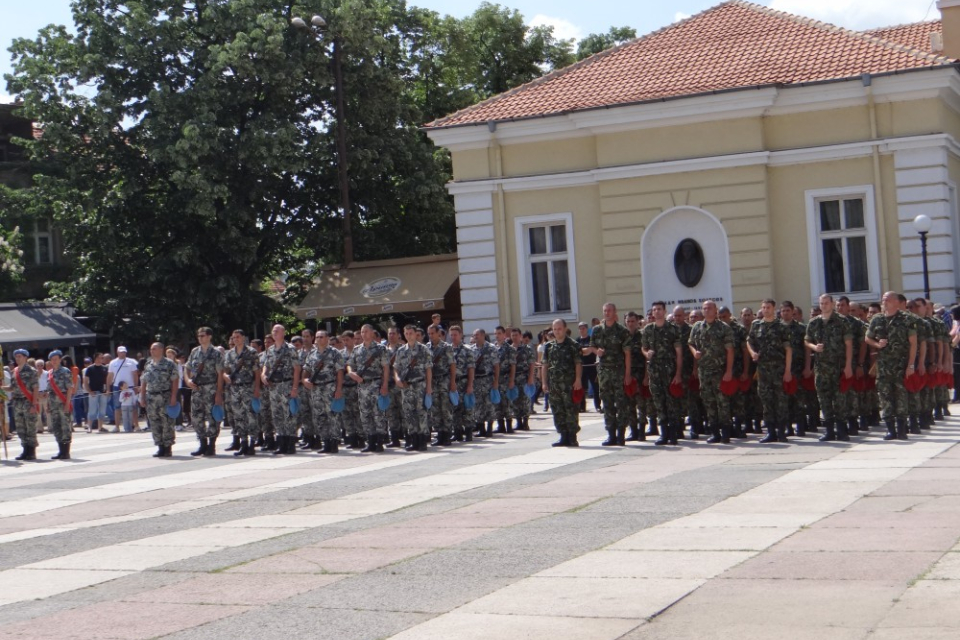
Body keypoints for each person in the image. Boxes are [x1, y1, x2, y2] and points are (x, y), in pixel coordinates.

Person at [865, 291, 917, 440]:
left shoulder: (907, 319)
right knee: (885, 397)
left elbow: (913, 343)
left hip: (901, 365)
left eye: (887, 299)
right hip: (883, 366)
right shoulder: (877, 319)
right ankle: (890, 430)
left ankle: (901, 429)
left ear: (895, 301)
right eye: (883, 300)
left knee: (900, 397)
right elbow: (867, 338)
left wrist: (911, 365)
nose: (884, 302)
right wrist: (877, 344)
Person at [805, 294, 853, 441]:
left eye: (826, 303)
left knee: (840, 400)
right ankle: (829, 431)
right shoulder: (814, 323)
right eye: (822, 303)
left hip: (838, 367)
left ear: (832, 304)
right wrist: (814, 347)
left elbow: (849, 345)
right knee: (824, 400)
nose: (824, 305)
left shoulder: (842, 321)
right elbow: (807, 341)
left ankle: (842, 430)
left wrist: (848, 366)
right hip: (821, 368)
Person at [689, 300, 735, 443]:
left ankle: (726, 432)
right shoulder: (697, 327)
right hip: (704, 371)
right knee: (708, 402)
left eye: (710, 308)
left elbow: (730, 350)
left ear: (716, 311)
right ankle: (714, 432)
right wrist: (694, 352)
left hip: (719, 371)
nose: (707, 310)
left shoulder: (724, 328)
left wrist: (728, 371)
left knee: (723, 403)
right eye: (704, 308)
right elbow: (690, 343)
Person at [748, 299, 793, 443]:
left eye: (768, 307)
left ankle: (781, 431)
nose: (765, 309)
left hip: (779, 369)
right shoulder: (756, 325)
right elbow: (749, 341)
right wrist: (752, 353)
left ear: (774, 309)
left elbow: (788, 350)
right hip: (763, 370)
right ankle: (771, 432)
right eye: (763, 307)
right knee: (766, 401)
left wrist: (787, 371)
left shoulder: (781, 326)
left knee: (780, 401)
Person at [590, 302, 632, 446]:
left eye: (609, 311)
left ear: (615, 313)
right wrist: (597, 352)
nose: (607, 313)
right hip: (604, 372)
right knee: (607, 404)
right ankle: (611, 434)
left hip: (618, 371)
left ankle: (621, 434)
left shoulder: (622, 331)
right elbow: (592, 346)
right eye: (605, 311)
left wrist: (627, 374)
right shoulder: (596, 330)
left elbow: (627, 354)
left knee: (621, 404)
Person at [642, 302, 683, 446]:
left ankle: (673, 434)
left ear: (664, 311)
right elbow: (644, 348)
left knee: (671, 403)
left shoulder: (672, 329)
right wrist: (647, 353)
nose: (657, 312)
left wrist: (678, 374)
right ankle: (663, 434)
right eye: (654, 310)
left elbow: (679, 353)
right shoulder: (648, 330)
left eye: (659, 309)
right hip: (654, 372)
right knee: (659, 403)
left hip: (669, 371)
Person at [346, 324, 390, 451]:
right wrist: (351, 373)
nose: (363, 334)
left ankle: (380, 442)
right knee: (365, 414)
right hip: (362, 385)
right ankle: (370, 442)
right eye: (362, 332)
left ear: (372, 333)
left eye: (366, 331)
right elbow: (349, 365)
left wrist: (385, 385)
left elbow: (386, 368)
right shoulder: (357, 349)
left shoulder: (380, 349)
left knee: (378, 414)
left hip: (376, 383)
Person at [260, 324, 302, 455]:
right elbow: (266, 365)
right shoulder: (270, 350)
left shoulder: (290, 349)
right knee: (277, 415)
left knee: (289, 415)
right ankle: (281, 443)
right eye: (273, 331)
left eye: (277, 331)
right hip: (274, 387)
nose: (274, 333)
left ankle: (290, 443)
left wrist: (295, 387)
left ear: (283, 333)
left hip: (287, 384)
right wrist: (263, 375)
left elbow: (297, 369)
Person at [301, 330, 344, 454]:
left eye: (322, 337)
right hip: (316, 389)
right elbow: (306, 370)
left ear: (327, 339)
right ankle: (326, 442)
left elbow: (340, 371)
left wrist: (339, 389)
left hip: (330, 387)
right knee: (319, 416)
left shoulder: (335, 353)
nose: (319, 339)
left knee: (333, 416)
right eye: (318, 337)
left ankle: (335, 441)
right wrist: (305, 380)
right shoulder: (312, 354)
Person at [185, 327, 225, 456]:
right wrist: (188, 381)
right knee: (196, 417)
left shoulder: (216, 353)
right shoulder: (195, 352)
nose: (200, 338)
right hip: (197, 389)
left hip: (211, 388)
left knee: (212, 417)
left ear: (209, 337)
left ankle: (211, 445)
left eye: (202, 335)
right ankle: (202, 443)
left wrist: (219, 393)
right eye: (198, 336)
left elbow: (220, 374)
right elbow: (187, 368)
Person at [543, 318, 582, 447]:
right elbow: (545, 365)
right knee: (557, 410)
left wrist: (578, 379)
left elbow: (578, 363)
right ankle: (563, 436)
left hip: (569, 384)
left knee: (571, 410)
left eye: (559, 329)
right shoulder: (549, 347)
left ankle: (572, 437)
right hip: (554, 385)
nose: (557, 331)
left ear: (565, 329)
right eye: (554, 329)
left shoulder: (573, 345)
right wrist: (544, 382)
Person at [394, 324, 433, 452]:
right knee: (409, 414)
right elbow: (396, 368)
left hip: (420, 385)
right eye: (406, 333)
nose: (409, 335)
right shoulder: (401, 351)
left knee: (421, 413)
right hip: (406, 386)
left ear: (416, 334)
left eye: (411, 333)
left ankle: (423, 440)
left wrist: (428, 387)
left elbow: (428, 369)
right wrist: (397, 379)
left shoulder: (423, 349)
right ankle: (413, 440)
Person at [223, 329, 262, 457]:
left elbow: (257, 371)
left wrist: (257, 388)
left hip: (248, 387)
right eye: (234, 337)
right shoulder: (229, 354)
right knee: (238, 416)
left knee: (251, 416)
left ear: (244, 338)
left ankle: (252, 443)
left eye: (238, 337)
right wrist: (226, 376)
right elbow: (225, 370)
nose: (235, 339)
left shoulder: (251, 352)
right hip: (235, 388)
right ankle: (243, 442)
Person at [139, 341, 179, 458]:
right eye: (151, 349)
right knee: (154, 423)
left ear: (161, 350)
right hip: (151, 397)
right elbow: (144, 381)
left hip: (165, 396)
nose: (152, 351)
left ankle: (168, 447)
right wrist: (142, 396)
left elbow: (175, 380)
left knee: (167, 423)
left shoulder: (169, 364)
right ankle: (160, 447)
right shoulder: (148, 364)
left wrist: (173, 397)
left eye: (154, 349)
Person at [428, 325, 457, 446]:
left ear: (438, 333)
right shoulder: (426, 348)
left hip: (444, 380)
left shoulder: (446, 347)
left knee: (445, 408)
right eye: (429, 333)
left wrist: (453, 382)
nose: (430, 336)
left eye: (432, 333)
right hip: (433, 381)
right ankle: (439, 434)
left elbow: (452, 365)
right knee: (435, 409)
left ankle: (447, 435)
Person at [10, 349, 40, 461]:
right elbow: (12, 388)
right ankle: (25, 450)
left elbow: (35, 388)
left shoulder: (31, 371)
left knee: (30, 427)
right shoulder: (15, 371)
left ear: (25, 357)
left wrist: (34, 404)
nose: (17, 358)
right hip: (17, 402)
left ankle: (31, 452)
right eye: (16, 356)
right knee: (20, 428)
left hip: (28, 401)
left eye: (19, 356)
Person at [470, 329, 500, 438]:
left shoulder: (491, 348)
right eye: (474, 335)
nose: (475, 337)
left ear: (483, 335)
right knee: (478, 405)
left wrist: (496, 382)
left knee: (489, 405)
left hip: (488, 380)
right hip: (477, 381)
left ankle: (489, 429)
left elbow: (496, 366)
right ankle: (481, 428)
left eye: (477, 335)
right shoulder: (471, 350)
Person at [45, 350, 75, 460]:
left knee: (65, 426)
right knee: (56, 427)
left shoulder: (65, 371)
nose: (54, 361)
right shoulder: (50, 373)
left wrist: (67, 404)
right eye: (52, 359)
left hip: (62, 402)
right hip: (53, 404)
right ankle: (60, 451)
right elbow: (49, 391)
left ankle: (66, 452)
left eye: (56, 359)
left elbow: (69, 388)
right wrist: (48, 405)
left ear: (60, 360)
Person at [449, 325, 476, 442]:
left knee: (467, 409)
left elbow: (471, 368)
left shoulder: (467, 350)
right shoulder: (447, 349)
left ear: (461, 335)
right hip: (452, 383)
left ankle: (469, 433)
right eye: (452, 335)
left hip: (464, 381)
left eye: (455, 335)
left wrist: (470, 385)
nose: (453, 337)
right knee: (454, 408)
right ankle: (457, 432)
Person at [106, 346, 139, 432]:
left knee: (133, 406)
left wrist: (135, 386)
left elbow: (135, 374)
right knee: (117, 406)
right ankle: (117, 427)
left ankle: (136, 425)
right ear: (117, 352)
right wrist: (108, 388)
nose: (122, 353)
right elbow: (110, 376)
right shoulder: (113, 363)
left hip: (130, 386)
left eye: (124, 352)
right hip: (117, 386)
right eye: (121, 352)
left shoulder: (131, 362)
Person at [511, 327, 536, 431]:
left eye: (516, 335)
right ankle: (518, 422)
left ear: (520, 336)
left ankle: (525, 422)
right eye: (513, 335)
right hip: (513, 378)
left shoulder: (527, 349)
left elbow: (531, 364)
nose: (514, 337)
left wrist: (531, 378)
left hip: (524, 377)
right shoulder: (509, 349)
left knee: (525, 400)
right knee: (515, 400)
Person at [493, 326, 517, 433]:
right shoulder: (493, 348)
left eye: (499, 333)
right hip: (496, 379)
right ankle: (500, 425)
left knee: (507, 402)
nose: (497, 336)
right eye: (496, 334)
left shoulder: (510, 349)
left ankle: (509, 425)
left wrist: (512, 380)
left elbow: (513, 366)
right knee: (497, 402)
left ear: (504, 335)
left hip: (506, 378)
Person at [577, 322, 600, 413]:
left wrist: (586, 351)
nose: (582, 330)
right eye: (580, 328)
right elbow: (579, 352)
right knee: (582, 387)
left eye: (583, 328)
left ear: (587, 329)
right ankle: (582, 406)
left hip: (592, 366)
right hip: (582, 367)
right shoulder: (577, 340)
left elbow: (593, 351)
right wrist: (586, 351)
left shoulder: (591, 339)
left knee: (595, 387)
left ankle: (598, 406)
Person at [84, 353, 109, 433]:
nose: (101, 359)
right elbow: (85, 381)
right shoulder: (90, 368)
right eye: (99, 358)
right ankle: (89, 427)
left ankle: (100, 427)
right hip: (94, 392)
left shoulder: (105, 368)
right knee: (92, 410)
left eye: (102, 358)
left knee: (102, 410)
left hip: (103, 391)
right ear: (95, 358)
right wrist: (89, 391)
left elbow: (107, 380)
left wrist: (108, 390)